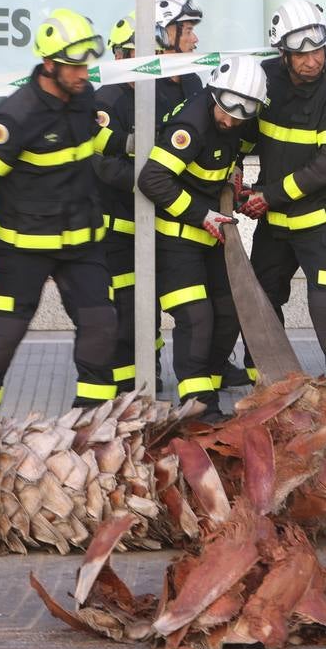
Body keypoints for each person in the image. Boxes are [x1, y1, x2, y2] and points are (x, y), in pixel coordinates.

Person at [0, 8, 119, 419]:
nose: (83, 74)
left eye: (85, 65)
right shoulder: (16, 116)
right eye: (73, 66)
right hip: (23, 247)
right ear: (49, 65)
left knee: (101, 326)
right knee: (5, 333)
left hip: (82, 243)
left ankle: (91, 423)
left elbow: (98, 145)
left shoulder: (84, 101)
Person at [236, 0, 326, 394]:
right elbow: (245, 125)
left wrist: (269, 196)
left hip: (323, 219)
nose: (313, 61)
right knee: (261, 301)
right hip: (276, 219)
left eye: (319, 50)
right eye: (302, 54)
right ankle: (263, 380)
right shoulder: (266, 77)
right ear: (283, 53)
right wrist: (237, 166)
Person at [137, 57, 267, 420]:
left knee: (227, 312)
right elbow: (152, 179)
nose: (232, 120)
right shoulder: (190, 125)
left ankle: (207, 387)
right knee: (195, 317)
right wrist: (201, 214)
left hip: (211, 236)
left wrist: (235, 173)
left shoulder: (238, 119)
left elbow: (233, 149)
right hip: (176, 239)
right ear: (215, 93)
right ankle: (198, 410)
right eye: (227, 110)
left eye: (243, 114)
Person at [92, 0, 205, 395]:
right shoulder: (108, 99)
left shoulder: (173, 85)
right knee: (127, 309)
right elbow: (102, 166)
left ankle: (150, 376)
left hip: (159, 221)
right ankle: (131, 388)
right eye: (137, 54)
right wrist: (149, 177)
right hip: (118, 227)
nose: (145, 61)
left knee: (158, 304)